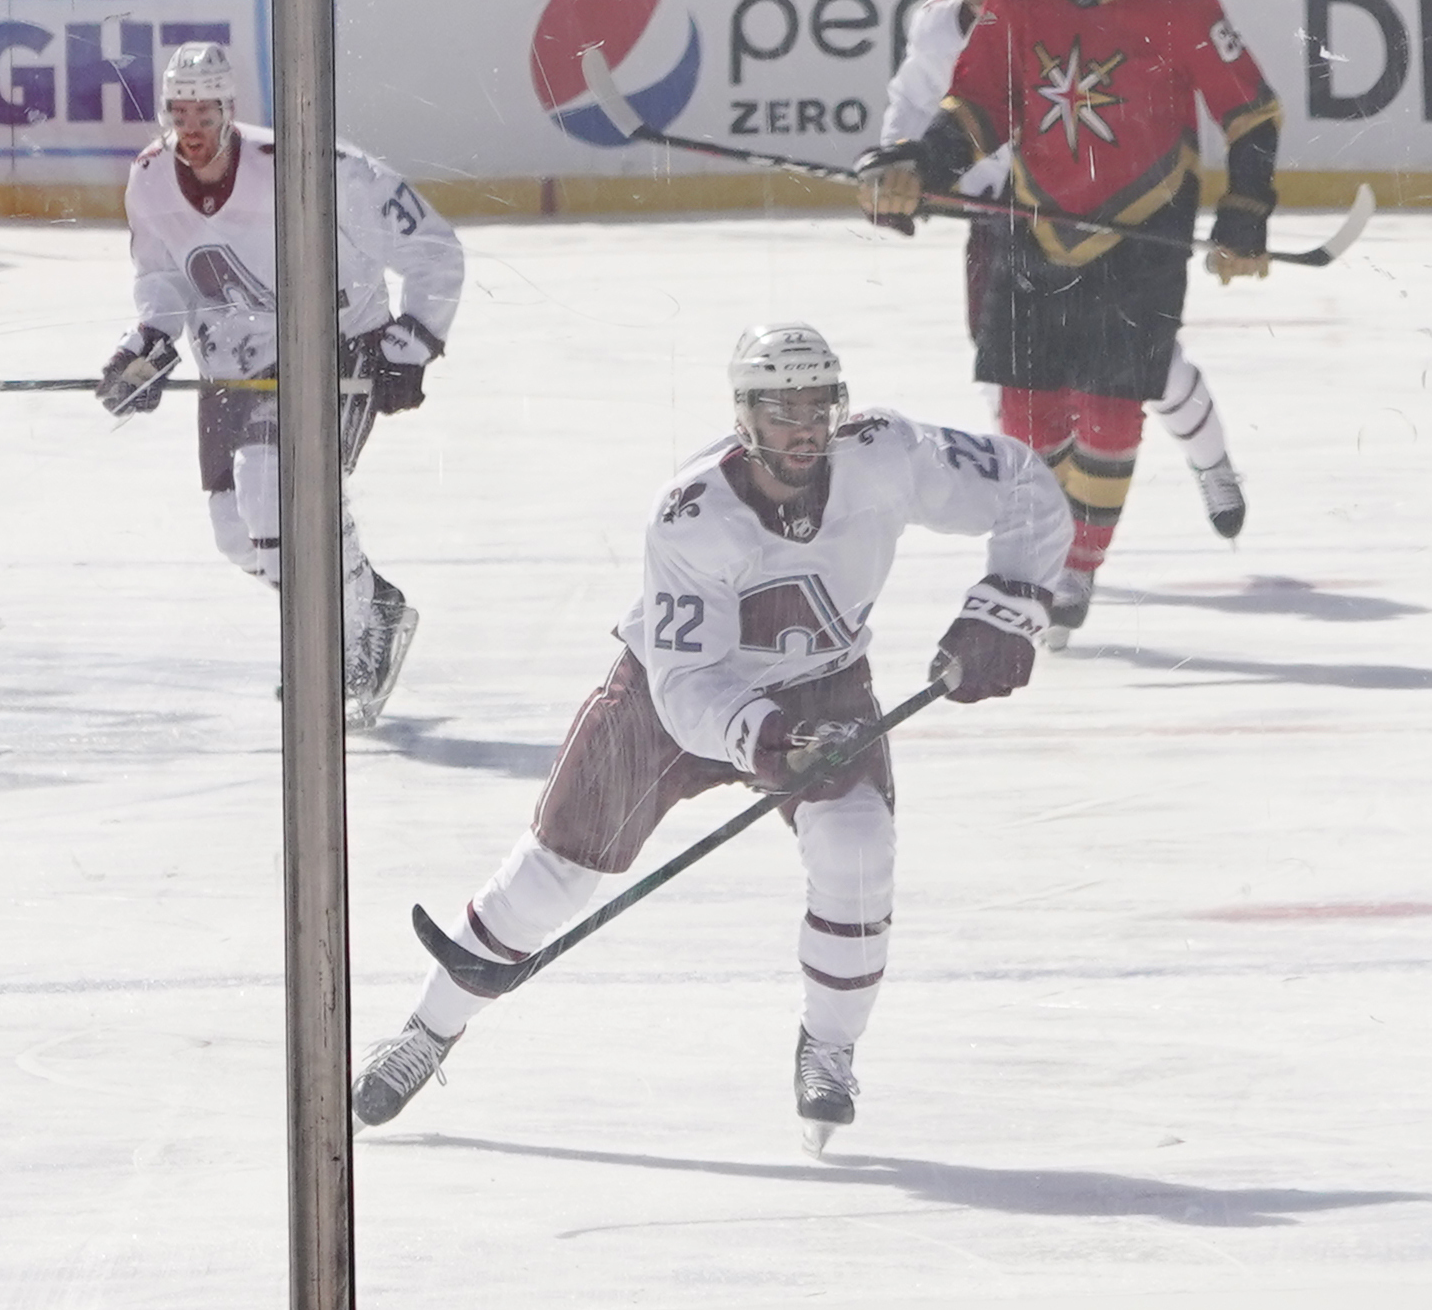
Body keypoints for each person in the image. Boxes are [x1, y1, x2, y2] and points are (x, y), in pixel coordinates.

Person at [350, 322, 1070, 1149]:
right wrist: (768, 740)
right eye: (780, 409)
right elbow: (689, 684)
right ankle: (427, 1029)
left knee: (859, 849)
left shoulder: (888, 453)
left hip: (825, 680)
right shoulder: (693, 515)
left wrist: (1007, 606)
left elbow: (1024, 485)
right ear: (744, 417)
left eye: (816, 406)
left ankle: (828, 1050)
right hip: (672, 693)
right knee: (553, 875)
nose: (802, 428)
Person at [860, 0, 1281, 636]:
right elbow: (977, 105)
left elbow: (1250, 112)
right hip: (1038, 221)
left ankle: (1081, 565)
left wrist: (1246, 207)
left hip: (1143, 229)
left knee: (1110, 410)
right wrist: (922, 161)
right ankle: (1049, 549)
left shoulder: (1182, 2)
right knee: (1024, 410)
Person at [102, 39, 465, 725]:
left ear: (230, 109)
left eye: (205, 111)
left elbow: (434, 248)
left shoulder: (308, 167)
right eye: (179, 111)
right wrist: (148, 344)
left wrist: (411, 342)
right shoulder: (149, 180)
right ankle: (367, 607)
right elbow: (162, 279)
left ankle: (341, 641)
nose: (192, 128)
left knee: (273, 488)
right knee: (237, 535)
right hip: (230, 367)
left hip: (329, 348)